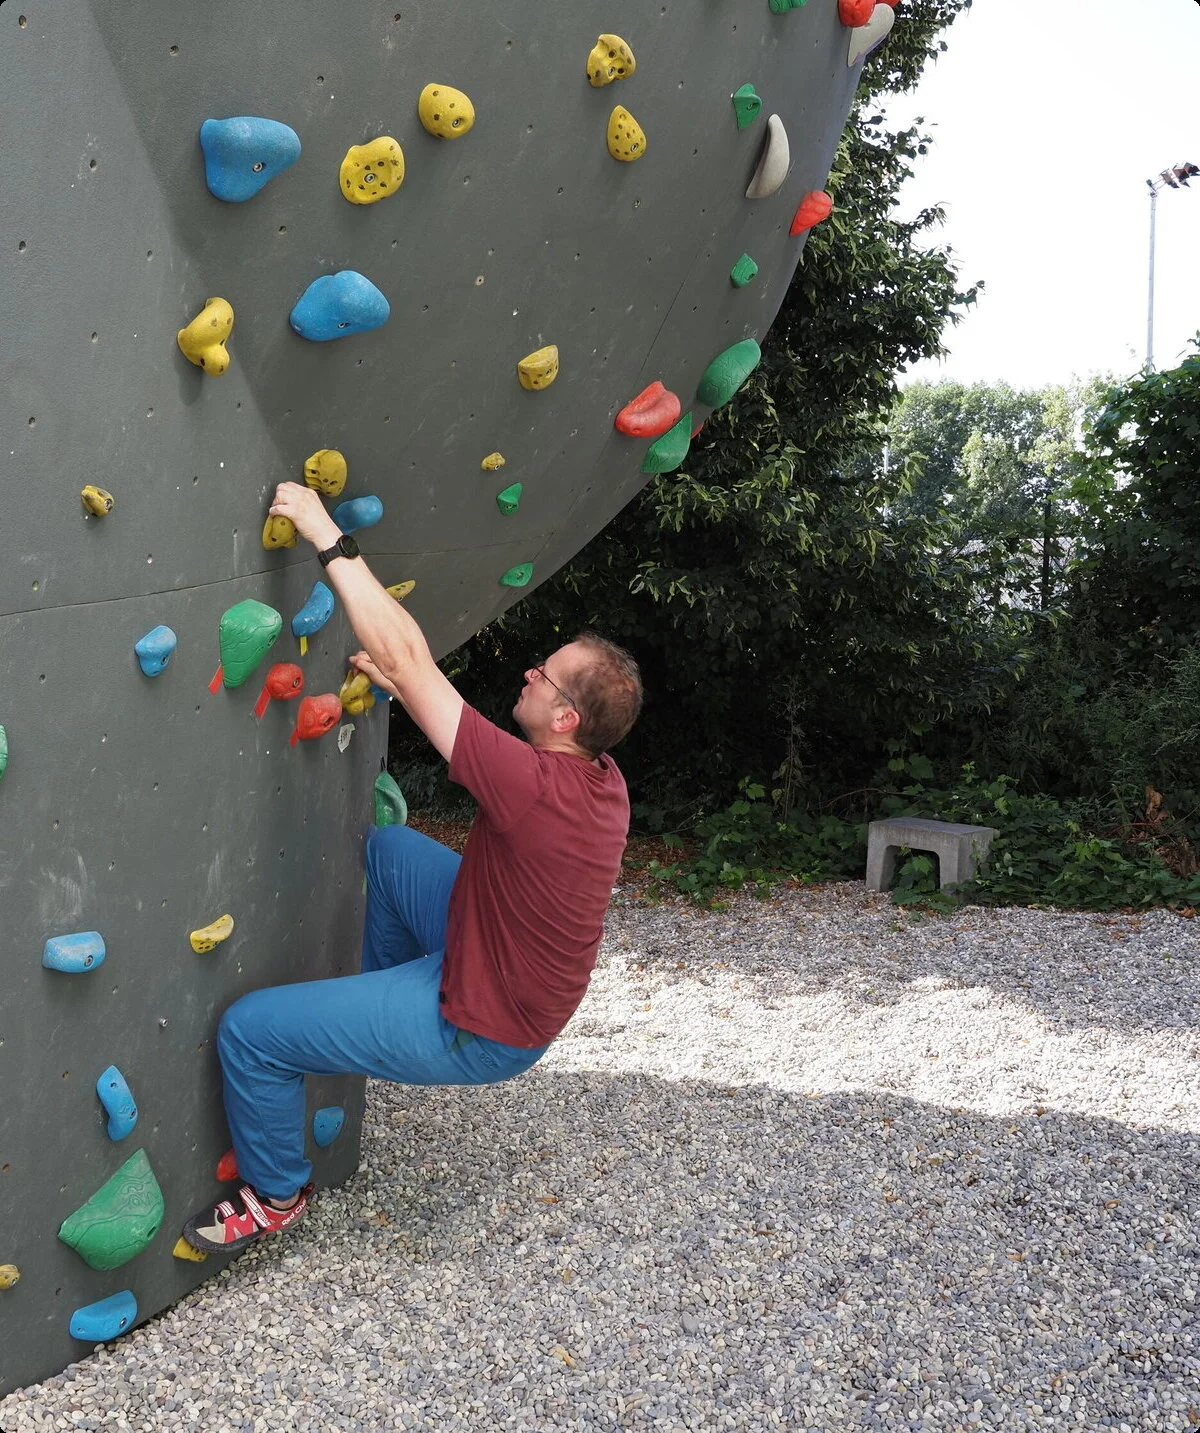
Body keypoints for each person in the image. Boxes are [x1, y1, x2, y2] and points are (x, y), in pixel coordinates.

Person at [183, 482, 642, 1253]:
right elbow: (424, 685)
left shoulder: (531, 786)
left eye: (546, 675)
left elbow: (408, 654)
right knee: (392, 852)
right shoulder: (601, 777)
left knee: (250, 1032)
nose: (530, 672)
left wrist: (323, 529)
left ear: (567, 718)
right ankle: (368, 1015)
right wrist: (409, 686)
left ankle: (276, 1190)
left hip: (486, 1025)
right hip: (504, 959)